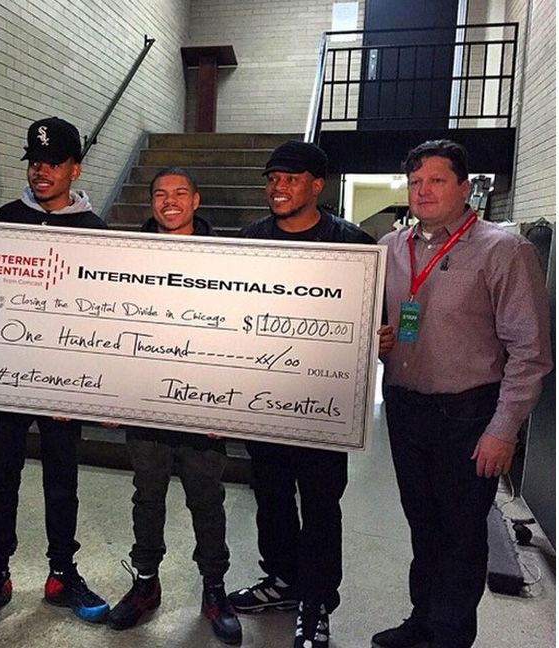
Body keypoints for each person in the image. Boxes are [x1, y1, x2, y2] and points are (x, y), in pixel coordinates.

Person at [370, 139, 552, 648]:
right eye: (415, 182)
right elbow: (377, 320)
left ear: (465, 187)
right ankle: (422, 621)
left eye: (437, 180)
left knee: (461, 534)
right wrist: (378, 340)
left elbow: (530, 352)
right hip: (405, 407)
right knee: (423, 525)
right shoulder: (390, 247)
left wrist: (503, 430)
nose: (423, 191)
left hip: (468, 415)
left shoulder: (503, 250)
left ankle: (448, 636)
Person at [0, 116, 112, 631]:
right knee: (1, 480)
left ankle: (62, 574)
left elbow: (104, 313)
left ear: (75, 169)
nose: (41, 171)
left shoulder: (95, 230)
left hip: (62, 384)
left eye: (53, 163)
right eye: (35, 162)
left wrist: (94, 387)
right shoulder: (5, 217)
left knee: (63, 481)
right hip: (3, 379)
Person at [226, 141, 375, 648]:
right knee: (270, 497)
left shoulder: (353, 246)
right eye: (272, 179)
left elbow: (379, 316)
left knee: (320, 504)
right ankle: (284, 580)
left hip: (322, 405)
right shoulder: (250, 241)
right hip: (263, 399)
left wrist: (382, 336)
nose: (278, 187)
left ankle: (317, 601)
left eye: (290, 179)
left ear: (317, 185)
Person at [104, 167, 242, 644]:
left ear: (196, 200)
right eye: (161, 193)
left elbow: (239, 329)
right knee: (147, 496)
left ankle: (214, 589)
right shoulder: (128, 255)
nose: (170, 201)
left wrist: (228, 406)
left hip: (203, 403)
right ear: (151, 203)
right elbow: (109, 322)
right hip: (144, 402)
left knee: (207, 498)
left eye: (180, 193)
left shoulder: (228, 257)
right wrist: (107, 393)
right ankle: (145, 583)